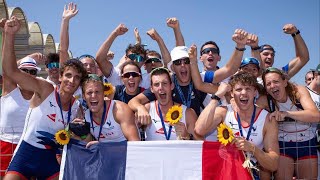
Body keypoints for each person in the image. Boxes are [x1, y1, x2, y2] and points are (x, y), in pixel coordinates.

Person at [2, 16, 87, 179]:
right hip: (26, 154)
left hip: (50, 160)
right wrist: (9, 35)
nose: (71, 80)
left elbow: (78, 137)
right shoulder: (45, 88)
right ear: (61, 77)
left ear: (80, 83)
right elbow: (11, 71)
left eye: (77, 78)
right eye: (68, 75)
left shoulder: (77, 107)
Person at [194, 72, 279, 179]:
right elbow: (199, 130)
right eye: (238, 90)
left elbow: (273, 164)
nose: (243, 93)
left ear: (255, 92)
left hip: (250, 173)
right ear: (232, 93)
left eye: (248, 89)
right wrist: (216, 97)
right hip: (224, 171)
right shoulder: (224, 112)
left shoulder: (267, 119)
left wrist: (252, 148)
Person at [256, 67, 320, 179]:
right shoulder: (264, 100)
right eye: (268, 84)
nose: (273, 86)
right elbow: (250, 116)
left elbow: (316, 116)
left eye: (276, 81)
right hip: (283, 145)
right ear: (266, 88)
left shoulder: (298, 91)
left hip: (306, 143)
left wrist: (287, 113)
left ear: (285, 82)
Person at [0, 56, 41, 177]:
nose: (28, 75)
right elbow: (7, 68)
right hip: (6, 145)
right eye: (25, 70)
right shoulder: (9, 90)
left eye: (32, 71)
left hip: (30, 146)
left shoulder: (42, 94)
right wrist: (30, 56)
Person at [74, 74, 140, 148]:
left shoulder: (119, 110)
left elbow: (135, 144)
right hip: (106, 155)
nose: (93, 96)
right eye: (89, 93)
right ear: (83, 96)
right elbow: (88, 142)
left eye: (97, 92)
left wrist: (104, 147)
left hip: (126, 155)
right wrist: (73, 134)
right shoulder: (86, 116)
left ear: (103, 94)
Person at [140, 67, 199, 140]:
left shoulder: (188, 113)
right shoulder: (146, 109)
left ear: (171, 86)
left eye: (164, 83)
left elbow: (199, 144)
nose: (161, 88)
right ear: (151, 89)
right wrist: (139, 109)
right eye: (156, 84)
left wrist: (187, 136)